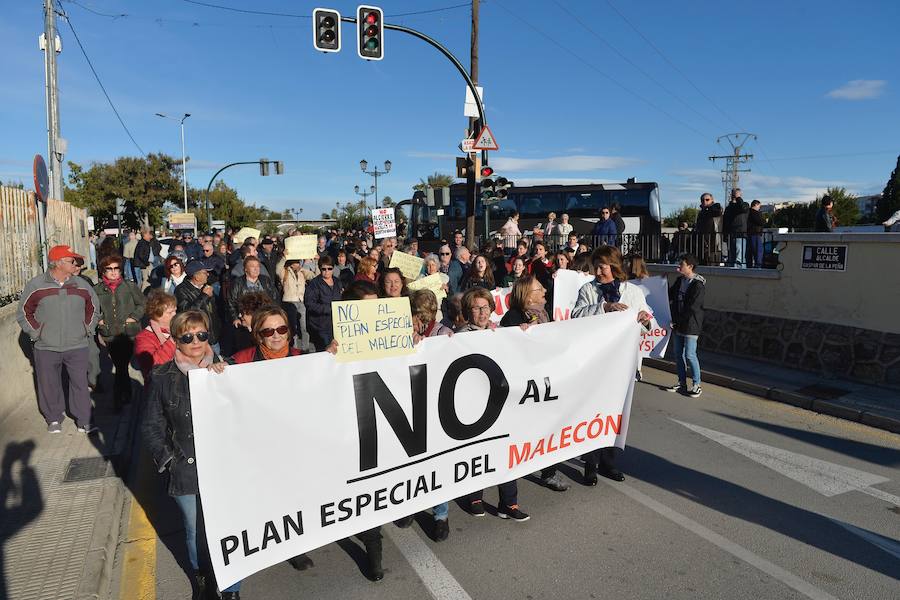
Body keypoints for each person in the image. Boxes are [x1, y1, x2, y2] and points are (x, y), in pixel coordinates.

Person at [141, 310, 242, 599]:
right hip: (186, 468)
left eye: (201, 334)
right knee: (195, 530)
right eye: (187, 336)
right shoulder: (162, 377)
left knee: (230, 526)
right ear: (175, 340)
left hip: (226, 467)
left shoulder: (228, 368)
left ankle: (231, 586)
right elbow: (151, 426)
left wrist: (327, 355)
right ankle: (202, 579)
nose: (195, 341)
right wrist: (168, 459)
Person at [572, 246, 655, 485]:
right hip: (595, 362)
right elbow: (575, 316)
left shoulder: (632, 291)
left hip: (622, 363)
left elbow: (648, 318)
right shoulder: (588, 289)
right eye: (595, 266)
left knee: (615, 415)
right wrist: (603, 307)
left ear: (614, 266)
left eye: (602, 266)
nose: (598, 271)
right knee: (593, 414)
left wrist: (644, 319)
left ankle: (608, 462)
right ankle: (590, 463)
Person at [453, 287, 529, 521]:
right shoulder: (459, 337)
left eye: (485, 307)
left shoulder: (501, 333)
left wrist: (523, 334)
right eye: (476, 308)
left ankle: (509, 503)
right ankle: (474, 496)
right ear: (468, 311)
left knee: (505, 449)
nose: (481, 312)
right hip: (473, 406)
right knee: (478, 450)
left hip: (499, 402)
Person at [17, 245, 101, 434]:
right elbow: (24, 312)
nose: (76, 264)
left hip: (77, 344)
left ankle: (84, 420)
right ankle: (53, 418)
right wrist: (37, 333)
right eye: (72, 261)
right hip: (46, 346)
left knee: (80, 383)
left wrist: (87, 329)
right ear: (59, 262)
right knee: (49, 383)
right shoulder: (36, 285)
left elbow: (94, 307)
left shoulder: (81, 284)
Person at [500, 276, 570, 492]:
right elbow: (505, 349)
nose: (545, 293)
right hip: (523, 388)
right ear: (527, 296)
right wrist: (519, 334)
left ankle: (549, 472)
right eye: (539, 289)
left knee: (549, 428)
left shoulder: (544, 315)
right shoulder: (512, 317)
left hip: (545, 382)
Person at [94, 253, 146, 411]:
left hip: (128, 333)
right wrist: (99, 320)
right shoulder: (97, 289)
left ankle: (121, 397)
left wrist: (134, 317)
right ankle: (124, 395)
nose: (113, 271)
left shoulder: (129, 286)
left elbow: (142, 304)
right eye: (109, 269)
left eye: (117, 268)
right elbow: (91, 309)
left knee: (121, 365)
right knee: (121, 365)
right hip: (110, 334)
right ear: (103, 271)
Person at [665, 253, 706, 398]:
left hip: (690, 325)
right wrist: (662, 284)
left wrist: (677, 320)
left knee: (689, 354)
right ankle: (681, 383)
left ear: (690, 266)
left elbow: (692, 307)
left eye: (681, 264)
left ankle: (697, 384)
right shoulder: (679, 281)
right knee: (678, 354)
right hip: (678, 324)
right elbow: (669, 296)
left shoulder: (697, 285)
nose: (678, 267)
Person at [176, 261, 221, 354]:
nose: (208, 274)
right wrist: (204, 296)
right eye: (205, 272)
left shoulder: (207, 286)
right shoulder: (181, 290)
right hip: (197, 338)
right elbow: (187, 312)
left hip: (213, 336)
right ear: (196, 276)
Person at [133, 290, 177, 383]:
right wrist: (172, 342)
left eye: (175, 310)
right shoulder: (143, 338)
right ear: (157, 315)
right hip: (161, 388)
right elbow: (153, 365)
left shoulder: (178, 327)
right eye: (170, 312)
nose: (175, 314)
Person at [304, 255, 343, 351]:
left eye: (329, 268)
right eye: (323, 269)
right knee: (325, 351)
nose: (326, 271)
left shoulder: (337, 282)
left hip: (337, 324)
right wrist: (329, 309)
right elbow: (309, 304)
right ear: (320, 268)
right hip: (321, 325)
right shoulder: (314, 284)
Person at [228, 256, 279, 328]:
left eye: (258, 266)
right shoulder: (237, 283)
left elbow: (275, 297)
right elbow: (231, 302)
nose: (256, 269)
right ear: (245, 269)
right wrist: (235, 318)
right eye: (252, 266)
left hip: (264, 317)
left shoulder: (266, 280)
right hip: (247, 320)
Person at [281, 256, 310, 353]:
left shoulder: (302, 272)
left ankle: (305, 348)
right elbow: (277, 269)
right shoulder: (285, 272)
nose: (298, 264)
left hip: (300, 301)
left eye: (298, 262)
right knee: (293, 328)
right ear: (291, 263)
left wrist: (315, 261)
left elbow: (314, 275)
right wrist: (284, 257)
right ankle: (295, 349)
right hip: (289, 302)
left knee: (304, 327)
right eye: (295, 262)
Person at [694, 192, 723, 266]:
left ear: (712, 200)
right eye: (702, 200)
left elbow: (717, 211)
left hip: (713, 244)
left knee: (712, 265)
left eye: (707, 200)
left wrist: (708, 207)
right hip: (702, 244)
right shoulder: (701, 213)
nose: (705, 202)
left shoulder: (714, 209)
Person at [723, 188, 749, 267]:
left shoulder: (745, 205)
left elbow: (742, 208)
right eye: (733, 194)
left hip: (740, 235)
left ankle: (741, 275)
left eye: (735, 194)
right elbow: (725, 221)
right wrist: (725, 235)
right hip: (730, 235)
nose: (733, 196)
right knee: (731, 258)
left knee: (739, 259)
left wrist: (738, 198)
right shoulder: (729, 208)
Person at [747, 200, 766, 268]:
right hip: (755, 234)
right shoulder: (754, 213)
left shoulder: (748, 212)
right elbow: (761, 222)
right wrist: (764, 220)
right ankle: (758, 266)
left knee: (750, 252)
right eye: (759, 206)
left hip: (750, 234)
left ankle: (749, 266)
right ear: (755, 205)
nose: (759, 208)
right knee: (758, 252)